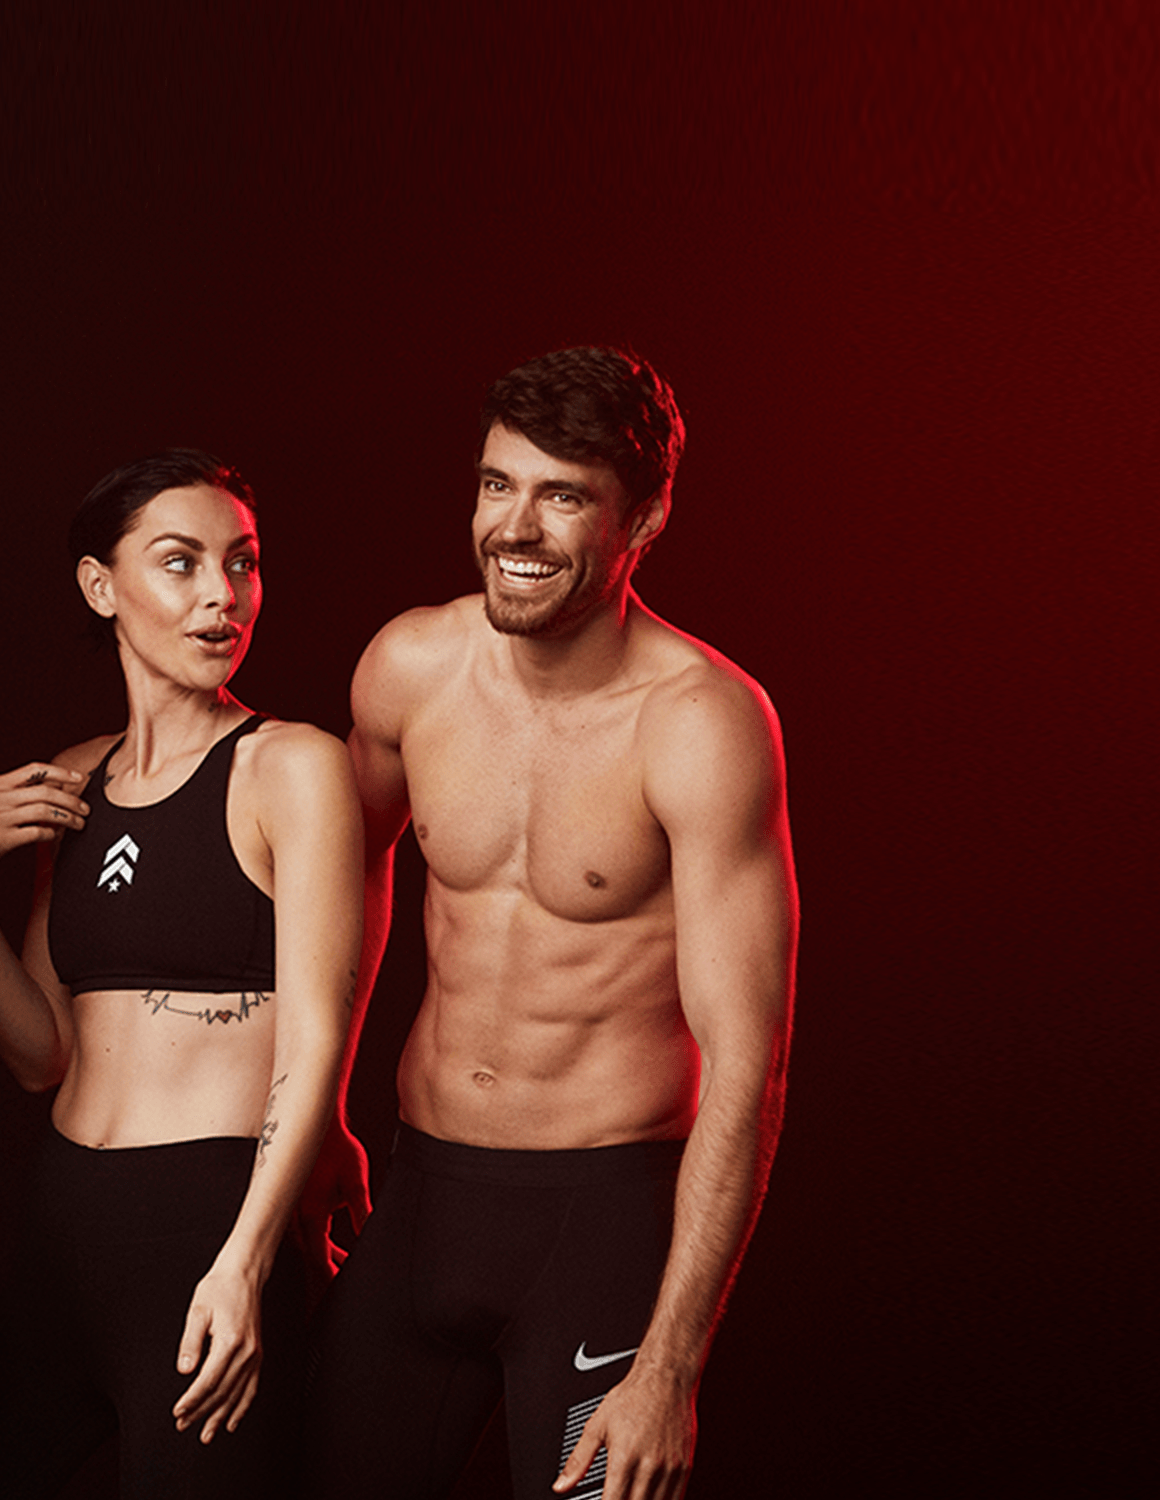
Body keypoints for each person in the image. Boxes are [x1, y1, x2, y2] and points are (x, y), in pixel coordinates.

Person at [311, 347, 797, 1500]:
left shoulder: (701, 724)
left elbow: (750, 1062)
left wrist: (672, 1363)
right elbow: (345, 880)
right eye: (495, 484)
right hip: (422, 1198)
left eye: (563, 495)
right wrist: (325, 1110)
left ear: (648, 517)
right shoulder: (409, 667)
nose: (514, 528)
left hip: (601, 1224)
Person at [0, 451, 366, 1499]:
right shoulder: (73, 778)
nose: (223, 595)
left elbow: (315, 1045)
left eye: (242, 564)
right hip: (64, 1223)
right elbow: (41, 1053)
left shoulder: (291, 768)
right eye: (181, 564)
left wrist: (247, 1265)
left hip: (206, 1223)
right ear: (101, 586)